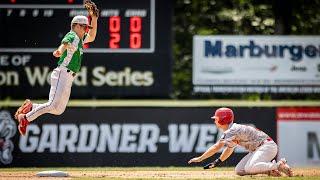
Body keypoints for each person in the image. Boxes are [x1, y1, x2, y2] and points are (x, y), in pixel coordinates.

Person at [14, 10, 98, 136]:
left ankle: (31, 106)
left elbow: (92, 36)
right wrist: (59, 51)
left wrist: (94, 18)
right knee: (53, 104)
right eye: (84, 27)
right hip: (62, 73)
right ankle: (25, 118)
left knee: (58, 110)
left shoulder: (80, 39)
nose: (86, 30)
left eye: (87, 27)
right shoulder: (73, 35)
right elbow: (64, 43)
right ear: (76, 26)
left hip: (69, 77)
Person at [188, 107, 293, 177]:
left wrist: (200, 158)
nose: (215, 120)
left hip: (266, 146)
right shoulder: (232, 130)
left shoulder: (232, 130)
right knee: (239, 170)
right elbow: (229, 149)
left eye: (216, 118)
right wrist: (217, 162)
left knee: (250, 167)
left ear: (223, 120)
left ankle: (279, 165)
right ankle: (270, 170)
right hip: (258, 149)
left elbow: (217, 147)